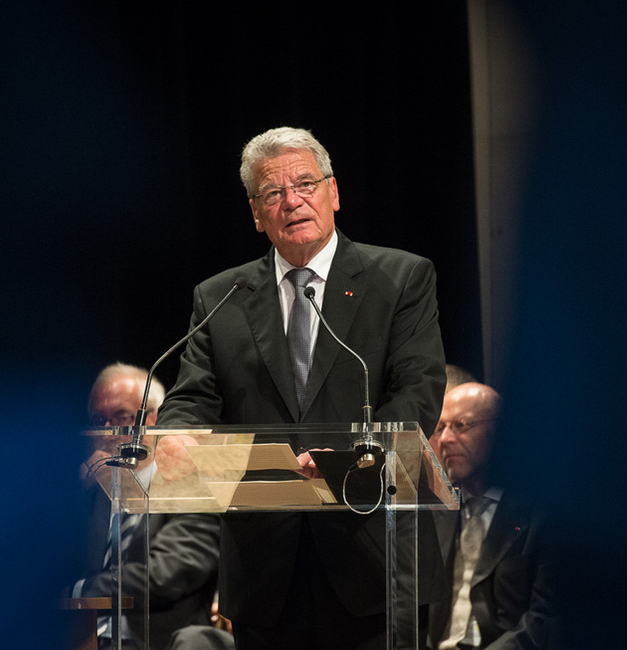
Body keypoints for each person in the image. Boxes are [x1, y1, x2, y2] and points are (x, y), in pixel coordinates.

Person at [155, 127, 447, 649]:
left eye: (306, 184)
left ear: (334, 193)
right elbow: (192, 396)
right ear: (255, 212)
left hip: (372, 557)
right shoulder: (222, 296)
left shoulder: (400, 278)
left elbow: (416, 391)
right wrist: (175, 436)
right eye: (273, 193)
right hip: (265, 568)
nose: (292, 201)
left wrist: (354, 455)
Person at [72, 362, 222, 650]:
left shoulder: (192, 486)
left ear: (153, 420)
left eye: (121, 417)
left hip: (157, 641)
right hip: (82, 639)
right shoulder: (92, 487)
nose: (107, 432)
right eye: (97, 420)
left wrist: (79, 592)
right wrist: (75, 494)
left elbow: (164, 573)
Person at [427, 383, 555, 649]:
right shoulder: (437, 510)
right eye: (440, 428)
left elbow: (545, 619)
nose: (445, 440)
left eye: (461, 425)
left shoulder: (544, 513)